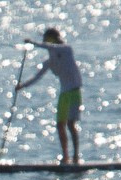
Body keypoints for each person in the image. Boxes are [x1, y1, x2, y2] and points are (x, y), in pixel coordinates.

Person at [18, 28, 83, 165]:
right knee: (60, 125)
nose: (44, 41)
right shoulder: (50, 61)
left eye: (46, 38)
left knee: (71, 124)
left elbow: (50, 46)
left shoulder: (66, 49)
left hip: (74, 91)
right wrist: (22, 86)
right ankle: (65, 157)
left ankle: (76, 156)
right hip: (64, 93)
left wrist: (32, 43)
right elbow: (38, 76)